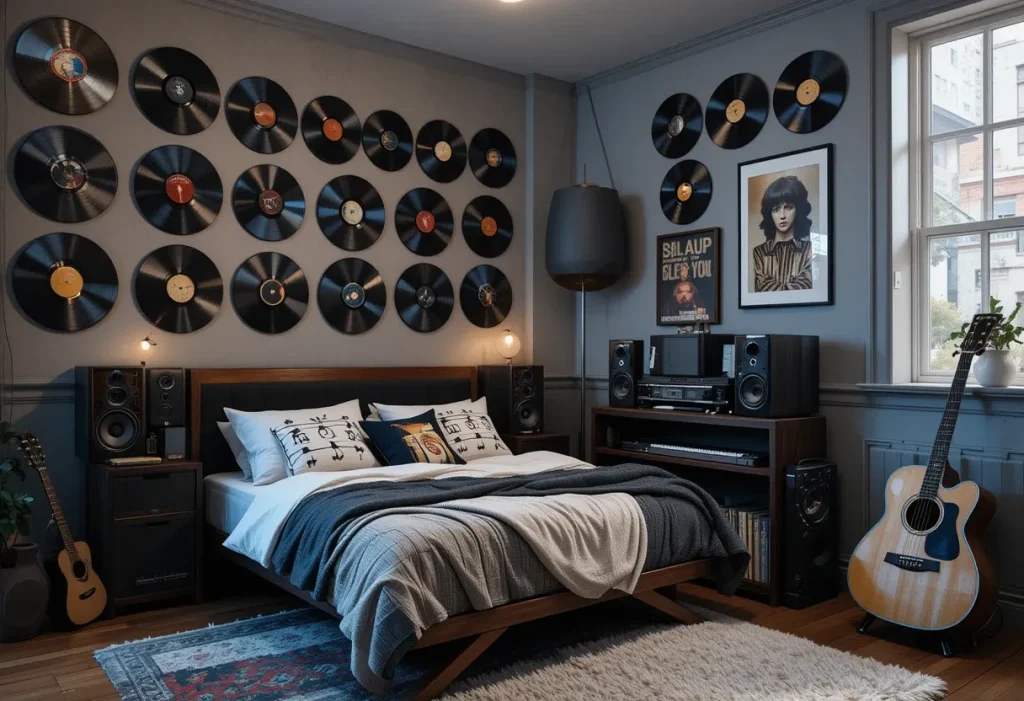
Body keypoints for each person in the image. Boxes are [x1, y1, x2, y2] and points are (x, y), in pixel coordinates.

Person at [752, 175, 814, 292]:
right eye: (776, 209)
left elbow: (805, 286)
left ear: (798, 210)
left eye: (788, 207)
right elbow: (764, 289)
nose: (782, 215)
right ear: (769, 214)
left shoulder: (809, 249)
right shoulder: (759, 252)